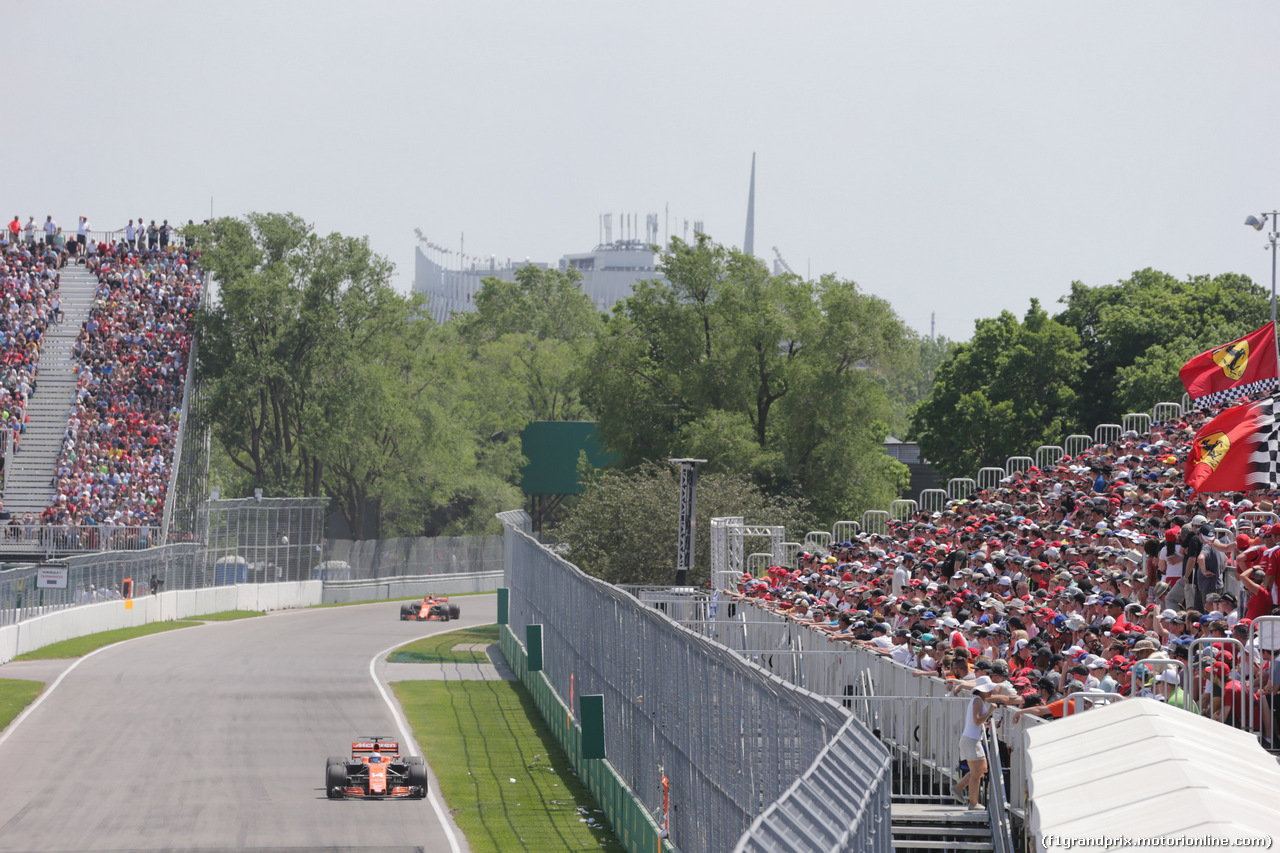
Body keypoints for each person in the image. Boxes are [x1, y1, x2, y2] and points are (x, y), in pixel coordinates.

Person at [954, 676, 1000, 809]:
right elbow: (977, 720)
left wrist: (988, 724)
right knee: (977, 772)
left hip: (971, 739)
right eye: (989, 689)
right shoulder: (978, 700)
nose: (991, 691)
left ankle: (959, 787)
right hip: (971, 740)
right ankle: (973, 803)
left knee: (981, 769)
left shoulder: (977, 700)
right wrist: (991, 711)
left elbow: (977, 722)